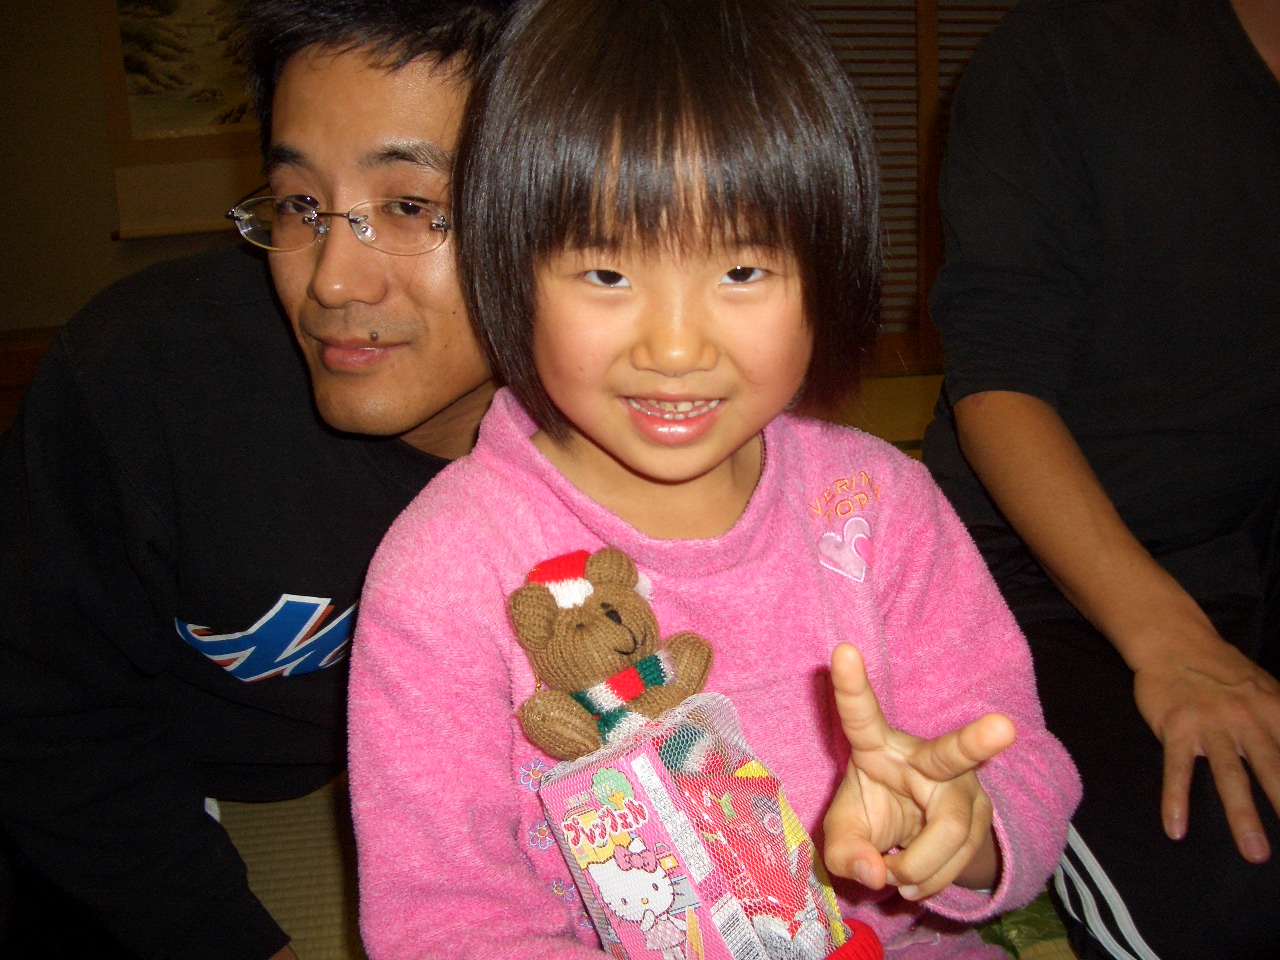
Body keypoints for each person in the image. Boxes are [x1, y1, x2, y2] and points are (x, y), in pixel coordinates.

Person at [345, 1, 1081, 957]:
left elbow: (1016, 753)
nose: (676, 347)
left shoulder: (875, 506)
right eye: (606, 273)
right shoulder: (445, 570)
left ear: (828, 271)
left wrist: (965, 829)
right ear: (510, 269)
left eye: (741, 269)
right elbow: (445, 924)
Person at [0, 2, 510, 958]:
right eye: (299, 205)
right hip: (158, 806)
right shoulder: (141, 383)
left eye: (410, 206)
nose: (331, 281)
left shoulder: (631, 422)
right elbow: (52, 720)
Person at [921, 0, 1280, 957]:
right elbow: (998, 376)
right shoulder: (1065, 53)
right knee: (1231, 898)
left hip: (1250, 534)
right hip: (1041, 562)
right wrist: (1175, 641)